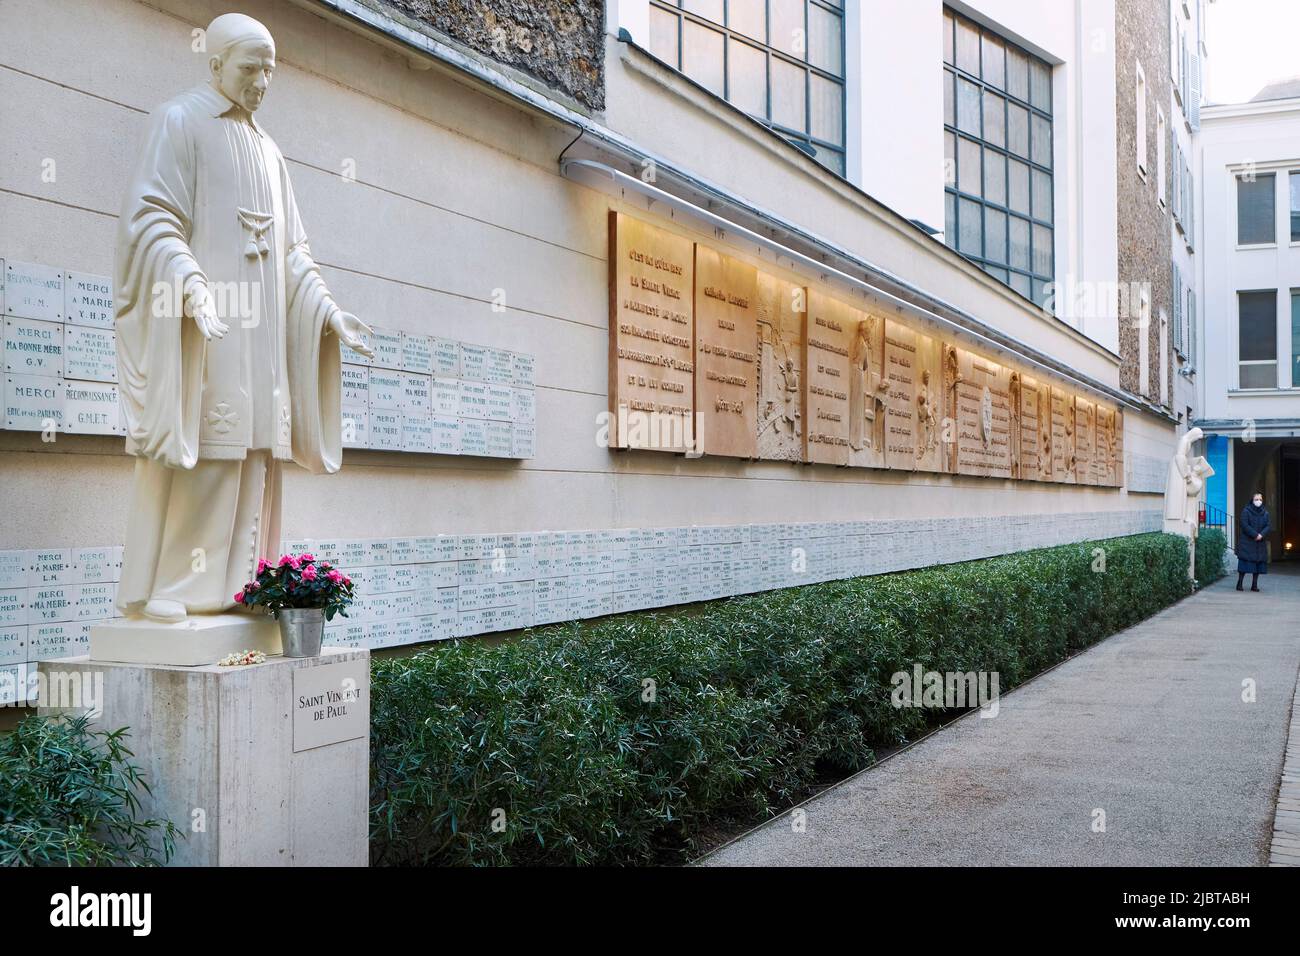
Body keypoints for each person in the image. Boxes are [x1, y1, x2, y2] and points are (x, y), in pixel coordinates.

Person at [114, 13, 373, 622]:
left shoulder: (270, 151)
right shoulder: (179, 122)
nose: (261, 82)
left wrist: (327, 312)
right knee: (209, 450)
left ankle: (243, 587)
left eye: (270, 72)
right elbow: (151, 220)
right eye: (250, 69)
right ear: (215, 65)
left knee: (255, 454)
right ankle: (176, 587)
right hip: (209, 326)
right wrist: (188, 285)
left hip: (265, 341)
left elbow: (293, 254)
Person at [1237, 492, 1272, 592]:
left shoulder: (1265, 513)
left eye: (1260, 499)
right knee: (1244, 563)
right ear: (1252, 500)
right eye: (1256, 499)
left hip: (1259, 542)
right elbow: (1244, 524)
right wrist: (1255, 534)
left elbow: (1268, 525)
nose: (1258, 501)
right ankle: (1240, 583)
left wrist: (1261, 535)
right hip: (1247, 542)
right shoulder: (1246, 511)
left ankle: (1254, 585)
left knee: (1258, 564)